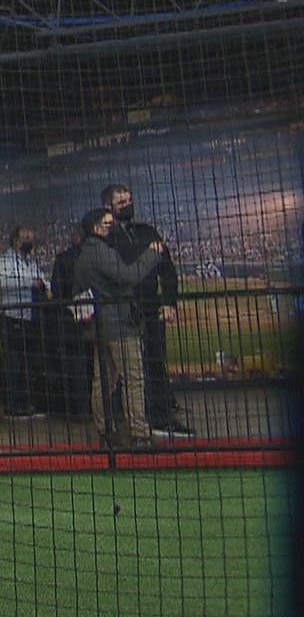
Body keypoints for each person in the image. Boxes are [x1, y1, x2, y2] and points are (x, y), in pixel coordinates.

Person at [101, 184, 193, 438]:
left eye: (129, 200)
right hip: (122, 312)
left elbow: (168, 269)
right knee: (126, 370)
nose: (128, 205)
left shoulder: (147, 231)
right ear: (108, 207)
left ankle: (161, 416)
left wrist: (169, 301)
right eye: (121, 202)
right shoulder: (105, 239)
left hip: (152, 309)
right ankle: (130, 420)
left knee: (154, 363)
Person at [74, 206, 166, 447]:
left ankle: (106, 433)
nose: (112, 227)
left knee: (103, 381)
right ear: (95, 228)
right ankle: (139, 433)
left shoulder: (86, 253)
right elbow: (128, 276)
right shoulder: (100, 252)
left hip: (101, 325)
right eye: (107, 224)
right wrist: (151, 254)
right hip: (118, 325)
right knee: (133, 378)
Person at [0, 226, 48, 419]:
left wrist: (39, 282)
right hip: (11, 317)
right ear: (15, 240)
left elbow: (44, 280)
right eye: (25, 237)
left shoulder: (30, 261)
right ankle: (13, 406)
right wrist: (31, 282)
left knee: (31, 363)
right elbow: (3, 282)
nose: (29, 241)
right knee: (14, 364)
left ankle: (29, 404)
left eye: (31, 237)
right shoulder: (6, 261)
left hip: (29, 317)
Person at [47, 226, 93, 416]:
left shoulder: (63, 259)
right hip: (95, 319)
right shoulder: (95, 257)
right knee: (96, 367)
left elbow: (57, 292)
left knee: (76, 368)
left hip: (70, 321)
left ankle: (79, 410)